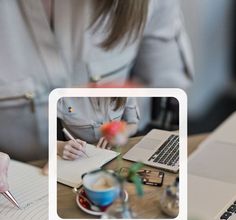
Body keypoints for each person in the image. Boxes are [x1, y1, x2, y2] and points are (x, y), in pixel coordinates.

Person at [0, 0, 193, 162]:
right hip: (18, 177)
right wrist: (59, 148)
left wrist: (122, 132)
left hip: (116, 161)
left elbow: (166, 96)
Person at [57, 97, 139, 160]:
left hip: (115, 152)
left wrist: (122, 133)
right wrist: (58, 147)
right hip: (79, 157)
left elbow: (133, 123)